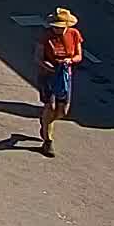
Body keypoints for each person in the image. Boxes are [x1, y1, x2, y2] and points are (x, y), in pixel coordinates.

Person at [35, 8, 84, 157]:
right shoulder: (45, 37)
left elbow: (78, 55)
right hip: (47, 76)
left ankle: (45, 121)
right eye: (55, 26)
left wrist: (70, 60)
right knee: (50, 106)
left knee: (62, 111)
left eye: (60, 27)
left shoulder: (74, 34)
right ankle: (47, 140)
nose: (57, 29)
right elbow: (38, 57)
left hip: (64, 76)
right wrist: (46, 65)